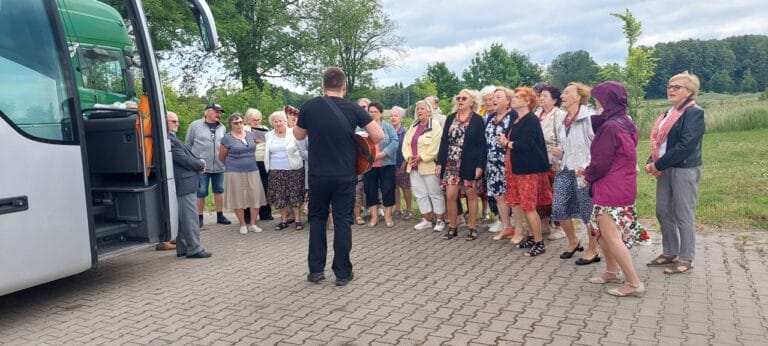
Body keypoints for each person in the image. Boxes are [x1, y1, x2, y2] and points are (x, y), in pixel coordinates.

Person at [294, 67, 384, 286]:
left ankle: (316, 271)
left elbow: (298, 135)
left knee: (317, 220)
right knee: (343, 222)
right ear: (344, 86)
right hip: (344, 175)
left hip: (317, 176)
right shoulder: (353, 109)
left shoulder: (309, 106)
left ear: (322, 85)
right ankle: (342, 273)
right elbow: (379, 135)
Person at [582, 81, 645, 297]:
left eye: (598, 99)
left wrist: (587, 174)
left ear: (607, 100)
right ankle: (611, 270)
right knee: (600, 233)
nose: (595, 103)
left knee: (612, 236)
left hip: (611, 187)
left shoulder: (610, 127)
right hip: (620, 184)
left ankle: (634, 283)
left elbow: (601, 161)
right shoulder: (625, 121)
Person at [645, 71, 705, 275]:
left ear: (690, 91)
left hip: (684, 168)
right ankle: (670, 252)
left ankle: (687, 257)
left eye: (677, 87)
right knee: (663, 211)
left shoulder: (693, 112)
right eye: (670, 86)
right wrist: (651, 160)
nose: (671, 89)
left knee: (683, 214)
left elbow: (686, 145)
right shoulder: (668, 113)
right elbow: (658, 142)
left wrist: (658, 164)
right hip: (666, 167)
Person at [550, 83, 600, 265]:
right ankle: (573, 240)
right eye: (562, 91)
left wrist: (588, 166)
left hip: (583, 171)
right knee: (558, 207)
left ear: (579, 96)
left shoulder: (590, 118)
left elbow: (598, 146)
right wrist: (559, 152)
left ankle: (593, 249)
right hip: (566, 168)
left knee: (588, 212)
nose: (562, 95)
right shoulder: (565, 120)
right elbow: (566, 145)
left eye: (566, 92)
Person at [500, 87, 552, 256]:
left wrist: (507, 143)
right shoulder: (517, 119)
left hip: (529, 170)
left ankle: (539, 242)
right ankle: (531, 236)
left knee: (529, 207)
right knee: (524, 205)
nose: (513, 99)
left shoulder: (531, 120)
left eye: (517, 97)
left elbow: (526, 144)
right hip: (518, 168)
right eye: (513, 97)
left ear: (527, 101)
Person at [435, 89, 487, 241]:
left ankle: (472, 227)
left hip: (470, 162)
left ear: (472, 102)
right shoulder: (451, 118)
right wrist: (440, 162)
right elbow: (444, 141)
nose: (460, 100)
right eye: (458, 98)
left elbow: (481, 144)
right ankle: (453, 226)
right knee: (450, 195)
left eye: (464, 98)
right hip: (451, 162)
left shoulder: (478, 119)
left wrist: (480, 165)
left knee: (471, 195)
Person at [167, 111, 212, 258]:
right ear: (164, 122)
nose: (177, 124)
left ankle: (183, 248)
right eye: (174, 121)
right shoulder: (168, 139)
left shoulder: (171, 139)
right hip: (184, 183)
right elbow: (184, 159)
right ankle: (194, 249)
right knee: (189, 218)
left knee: (183, 218)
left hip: (184, 182)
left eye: (177, 121)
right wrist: (200, 164)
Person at [219, 113, 267, 235]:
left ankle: (253, 223)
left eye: (240, 122)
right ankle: (242, 224)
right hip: (234, 171)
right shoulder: (227, 138)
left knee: (255, 195)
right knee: (238, 197)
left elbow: (255, 147)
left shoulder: (251, 134)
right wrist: (233, 164)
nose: (239, 125)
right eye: (235, 123)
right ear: (231, 124)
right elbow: (221, 157)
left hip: (252, 169)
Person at [185, 104, 232, 227]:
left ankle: (220, 215)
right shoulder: (195, 125)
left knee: (219, 191)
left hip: (219, 165)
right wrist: (192, 162)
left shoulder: (222, 127)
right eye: (216, 112)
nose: (219, 114)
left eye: (220, 112)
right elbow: (188, 145)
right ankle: (199, 217)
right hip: (201, 166)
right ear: (207, 113)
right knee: (201, 192)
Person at [403, 100, 446, 232]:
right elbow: (406, 144)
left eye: (422, 109)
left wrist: (421, 157)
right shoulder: (413, 125)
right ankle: (426, 219)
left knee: (435, 193)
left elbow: (436, 146)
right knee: (420, 193)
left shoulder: (435, 125)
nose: (419, 111)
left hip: (428, 165)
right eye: (417, 109)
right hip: (413, 166)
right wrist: (409, 157)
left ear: (429, 111)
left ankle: (440, 220)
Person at [486, 87, 522, 242]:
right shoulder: (490, 117)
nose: (494, 99)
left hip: (508, 162)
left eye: (498, 97)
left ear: (508, 100)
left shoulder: (514, 116)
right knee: (499, 196)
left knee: (512, 196)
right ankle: (506, 226)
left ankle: (519, 229)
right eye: (494, 97)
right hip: (492, 163)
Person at [264, 111, 307, 230]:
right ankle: (283, 220)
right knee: (279, 196)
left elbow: (301, 149)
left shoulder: (293, 133)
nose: (278, 123)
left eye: (280, 121)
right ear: (272, 123)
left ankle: (297, 220)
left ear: (285, 121)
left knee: (295, 194)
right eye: (275, 121)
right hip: (275, 169)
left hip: (293, 168)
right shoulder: (268, 135)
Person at [536, 84, 567, 240]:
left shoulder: (559, 115)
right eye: (540, 95)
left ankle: (559, 226)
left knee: (556, 193)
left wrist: (560, 154)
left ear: (554, 99)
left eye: (545, 96)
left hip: (554, 158)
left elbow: (564, 136)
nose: (541, 98)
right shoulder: (537, 114)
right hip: (539, 159)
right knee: (542, 192)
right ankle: (544, 223)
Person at [363, 101, 399, 228]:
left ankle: (388, 217)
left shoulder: (388, 127)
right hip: (369, 165)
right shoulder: (363, 127)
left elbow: (395, 142)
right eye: (370, 112)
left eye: (375, 112)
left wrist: (383, 154)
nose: (372, 114)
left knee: (388, 189)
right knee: (370, 189)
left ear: (381, 113)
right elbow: (358, 143)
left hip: (386, 163)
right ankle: (374, 217)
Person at [244, 108, 274, 223]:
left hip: (264, 160)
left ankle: (265, 212)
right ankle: (248, 215)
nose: (257, 121)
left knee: (265, 187)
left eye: (258, 119)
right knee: (250, 188)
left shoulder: (265, 128)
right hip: (251, 160)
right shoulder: (244, 129)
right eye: (254, 120)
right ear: (248, 120)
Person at [390, 106, 413, 220]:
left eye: (396, 116)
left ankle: (409, 210)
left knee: (405, 187)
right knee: (394, 188)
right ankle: (398, 209)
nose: (393, 118)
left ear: (401, 118)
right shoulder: (388, 131)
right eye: (392, 115)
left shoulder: (405, 132)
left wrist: (404, 164)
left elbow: (409, 150)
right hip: (390, 165)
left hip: (402, 164)